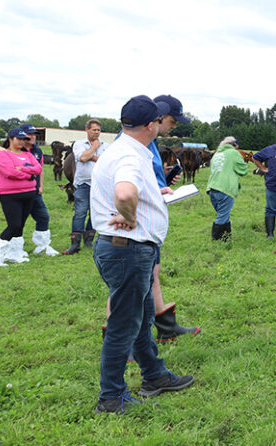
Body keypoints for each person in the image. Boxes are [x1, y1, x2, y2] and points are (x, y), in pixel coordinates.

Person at [90, 95, 193, 414]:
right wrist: (131, 215)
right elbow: (124, 192)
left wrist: (154, 193)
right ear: (151, 125)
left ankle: (155, 376)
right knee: (124, 324)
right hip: (129, 250)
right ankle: (111, 397)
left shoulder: (121, 147)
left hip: (123, 249)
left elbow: (128, 189)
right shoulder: (131, 156)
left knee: (143, 316)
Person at [103, 95, 200, 344]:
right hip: (131, 227)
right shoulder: (135, 143)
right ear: (156, 118)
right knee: (127, 283)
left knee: (151, 274)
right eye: (172, 120)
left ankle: (164, 327)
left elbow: (142, 178)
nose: (173, 126)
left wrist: (163, 181)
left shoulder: (150, 143)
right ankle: (121, 340)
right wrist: (128, 215)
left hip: (145, 221)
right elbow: (123, 186)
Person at [0, 128, 41, 267]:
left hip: (29, 194)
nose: (21, 142)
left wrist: (22, 169)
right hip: (10, 195)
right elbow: (9, 172)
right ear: (11, 139)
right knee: (14, 225)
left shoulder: (27, 155)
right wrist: (29, 175)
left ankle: (15, 254)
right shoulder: (2, 155)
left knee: (20, 226)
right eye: (18, 139)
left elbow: (38, 169)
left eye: (24, 139)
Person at [63, 119, 108, 255]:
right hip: (83, 184)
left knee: (95, 213)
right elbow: (82, 158)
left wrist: (91, 156)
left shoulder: (106, 146)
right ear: (87, 130)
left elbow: (106, 160)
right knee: (80, 213)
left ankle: (89, 240)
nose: (96, 132)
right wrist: (94, 148)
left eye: (99, 130)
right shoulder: (79, 144)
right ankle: (75, 244)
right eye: (94, 130)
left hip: (100, 185)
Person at [14, 123, 60, 257]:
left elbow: (41, 170)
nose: (32, 137)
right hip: (20, 191)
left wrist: (41, 186)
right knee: (18, 221)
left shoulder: (37, 151)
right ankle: (15, 249)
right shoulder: (16, 150)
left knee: (43, 217)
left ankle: (42, 246)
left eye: (34, 134)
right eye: (29, 134)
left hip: (35, 191)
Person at [206, 136, 249, 241]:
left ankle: (226, 239)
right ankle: (216, 240)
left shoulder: (216, 154)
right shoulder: (233, 153)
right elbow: (243, 170)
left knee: (223, 213)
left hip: (212, 188)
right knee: (222, 215)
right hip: (225, 188)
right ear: (234, 145)